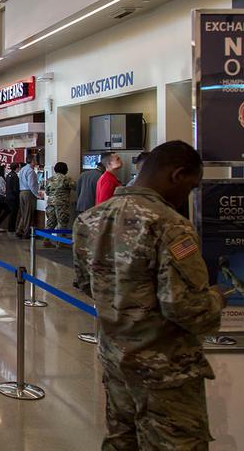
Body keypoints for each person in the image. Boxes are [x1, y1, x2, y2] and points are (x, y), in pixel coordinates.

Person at [73, 141, 227, 450]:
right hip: (165, 370)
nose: (189, 195)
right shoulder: (170, 226)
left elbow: (88, 284)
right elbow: (185, 307)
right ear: (177, 175)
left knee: (121, 439)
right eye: (190, 186)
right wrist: (216, 299)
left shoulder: (89, 221)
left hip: (116, 358)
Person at [44, 162, 74, 244]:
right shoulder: (67, 179)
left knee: (50, 222)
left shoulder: (50, 179)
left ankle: (46, 241)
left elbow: (46, 192)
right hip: (62, 204)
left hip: (50, 203)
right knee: (62, 223)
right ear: (65, 169)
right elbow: (75, 187)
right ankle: (61, 242)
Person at [15, 157, 39, 239]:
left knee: (24, 213)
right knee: (28, 214)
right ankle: (26, 232)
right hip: (28, 193)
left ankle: (19, 230)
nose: (36, 162)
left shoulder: (22, 169)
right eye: (35, 160)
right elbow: (31, 184)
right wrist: (37, 194)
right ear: (32, 161)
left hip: (21, 192)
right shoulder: (30, 171)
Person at [5, 163, 21, 234]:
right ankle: (12, 228)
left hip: (8, 196)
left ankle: (10, 227)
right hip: (13, 198)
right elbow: (15, 189)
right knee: (14, 213)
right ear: (16, 168)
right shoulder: (15, 176)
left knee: (11, 213)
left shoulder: (8, 175)